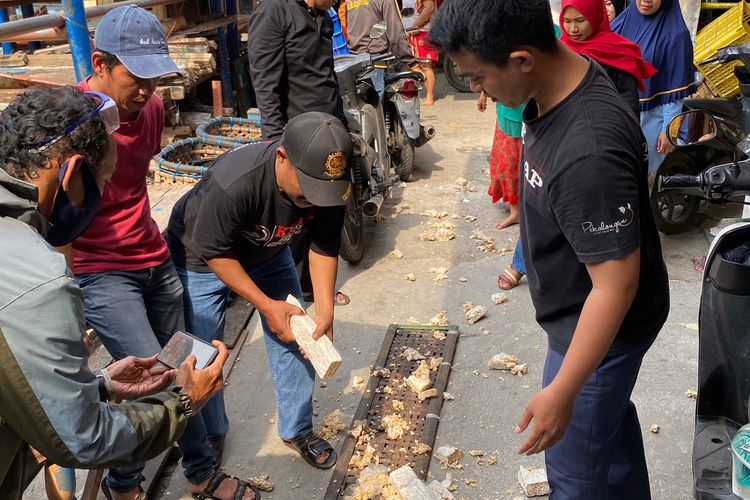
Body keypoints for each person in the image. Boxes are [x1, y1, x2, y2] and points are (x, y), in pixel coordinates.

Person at [430, 0, 670, 498]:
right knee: (610, 443)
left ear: (521, 59)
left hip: (602, 329)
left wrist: (563, 392)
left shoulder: (588, 151)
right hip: (579, 316)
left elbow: (616, 283)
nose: (477, 90)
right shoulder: (552, 83)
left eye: (478, 77)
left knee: (573, 478)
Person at [0, 86, 228, 498]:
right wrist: (183, 402)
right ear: (70, 174)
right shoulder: (40, 280)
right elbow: (82, 439)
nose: (102, 197)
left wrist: (99, 385)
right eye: (101, 183)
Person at [71, 6, 257, 500]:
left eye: (156, 78)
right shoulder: (74, 121)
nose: (148, 91)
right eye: (136, 77)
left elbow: (134, 186)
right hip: (101, 270)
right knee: (154, 377)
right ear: (100, 64)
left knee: (186, 366)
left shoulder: (152, 109)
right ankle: (124, 481)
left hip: (152, 256)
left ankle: (199, 470)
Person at [166, 112, 353, 471]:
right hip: (202, 256)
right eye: (307, 191)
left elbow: (324, 246)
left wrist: (325, 310)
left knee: (300, 335)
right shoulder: (236, 181)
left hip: (268, 251)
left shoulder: (331, 183)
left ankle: (297, 429)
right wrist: (266, 305)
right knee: (203, 352)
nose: (313, 202)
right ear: (282, 157)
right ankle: (210, 433)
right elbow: (214, 250)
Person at [248, 0, 350, 308]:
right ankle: (290, 293)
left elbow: (325, 75)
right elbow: (265, 82)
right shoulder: (274, 11)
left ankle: (316, 287)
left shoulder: (324, 14)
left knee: (331, 209)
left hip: (330, 130)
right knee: (295, 219)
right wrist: (275, 142)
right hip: (296, 138)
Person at [613, 0, 695, 174]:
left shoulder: (676, 35)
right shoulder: (623, 22)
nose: (646, 0)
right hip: (618, 116)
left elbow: (675, 89)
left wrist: (668, 130)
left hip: (650, 122)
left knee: (639, 177)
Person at [560, 0, 656, 118]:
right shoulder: (559, 51)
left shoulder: (617, 52)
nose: (573, 29)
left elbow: (629, 106)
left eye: (580, 21)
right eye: (567, 21)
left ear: (595, 16)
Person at [344, 0, 419, 95]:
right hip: (377, 61)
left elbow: (348, 29)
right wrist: (412, 63)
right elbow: (396, 35)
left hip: (355, 61)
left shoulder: (348, 1)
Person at [403, 0, 438, 105]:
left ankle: (430, 95)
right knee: (408, 65)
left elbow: (429, 7)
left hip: (422, 32)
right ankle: (409, 93)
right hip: (409, 32)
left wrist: (416, 24)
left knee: (425, 66)